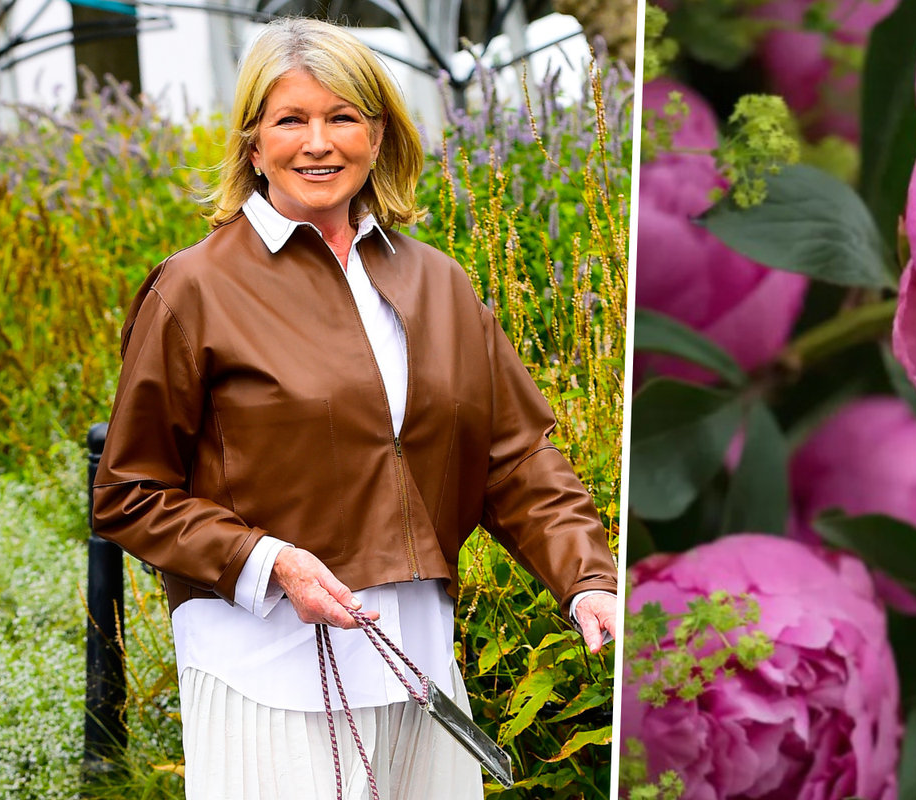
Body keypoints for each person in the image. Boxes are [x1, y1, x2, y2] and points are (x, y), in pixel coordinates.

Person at [92, 17, 619, 799]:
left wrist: (587, 578)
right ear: (251, 141)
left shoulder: (440, 282)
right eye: (290, 120)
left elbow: (515, 455)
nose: (318, 142)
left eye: (342, 117)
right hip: (265, 672)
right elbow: (129, 493)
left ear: (378, 135)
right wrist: (269, 562)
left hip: (421, 664)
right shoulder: (194, 290)